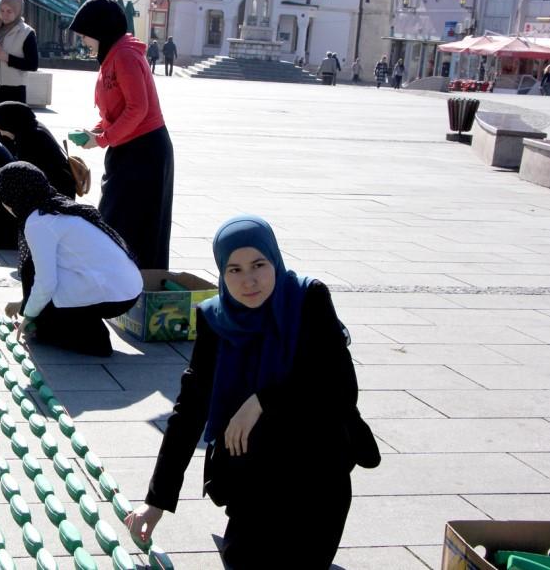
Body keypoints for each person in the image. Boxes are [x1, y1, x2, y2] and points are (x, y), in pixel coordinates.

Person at [124, 215, 379, 569]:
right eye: (235, 270)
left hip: (317, 470)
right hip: (255, 474)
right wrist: (157, 500)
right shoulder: (215, 319)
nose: (249, 281)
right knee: (245, 560)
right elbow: (190, 408)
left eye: (259, 264)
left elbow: (338, 387)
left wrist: (262, 400)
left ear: (274, 259)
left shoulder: (308, 299)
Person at [69, 0, 174, 270]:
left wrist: (103, 139)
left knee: (131, 225)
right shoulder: (114, 55)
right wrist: (96, 131)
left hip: (145, 152)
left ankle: (131, 289)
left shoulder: (125, 56)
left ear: (100, 30)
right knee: (117, 221)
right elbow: (117, 108)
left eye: (85, 36)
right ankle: (118, 287)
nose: (84, 42)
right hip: (129, 150)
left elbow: (138, 108)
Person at [0, 162, 143, 357]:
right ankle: (74, 322)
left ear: (13, 197)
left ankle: (93, 339)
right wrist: (25, 303)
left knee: (40, 291)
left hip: (114, 295)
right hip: (127, 287)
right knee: (42, 287)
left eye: (2, 196)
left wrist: (30, 315)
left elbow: (46, 281)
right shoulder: (54, 203)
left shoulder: (38, 222)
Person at [0, 101, 77, 199]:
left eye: (0, 128)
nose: (1, 134)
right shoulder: (32, 127)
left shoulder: (30, 139)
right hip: (60, 188)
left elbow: (24, 173)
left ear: (8, 124)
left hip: (57, 195)